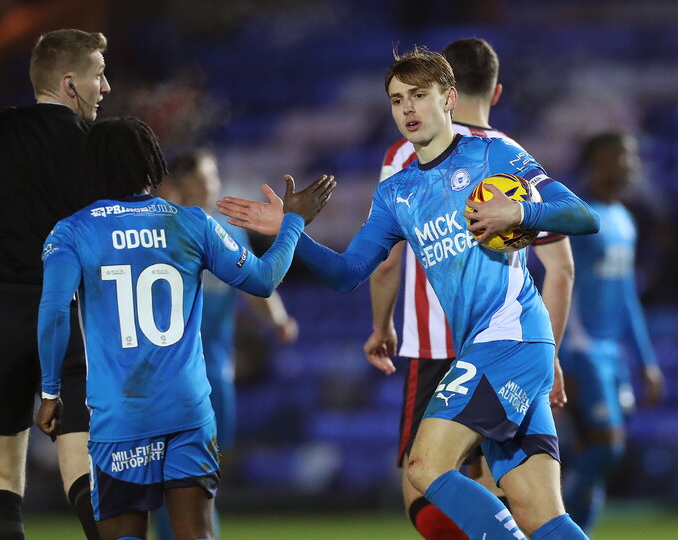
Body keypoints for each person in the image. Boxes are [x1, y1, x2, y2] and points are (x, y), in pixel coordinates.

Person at [218, 46, 599, 539]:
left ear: (449, 99)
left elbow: (581, 216)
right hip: (496, 345)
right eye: (398, 100)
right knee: (540, 516)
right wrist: (291, 228)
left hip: (511, 337)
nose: (408, 110)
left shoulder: (492, 153)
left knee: (423, 467)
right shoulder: (396, 193)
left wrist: (520, 214)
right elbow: (347, 273)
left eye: (420, 96)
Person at [34, 116, 335, 540]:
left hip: (120, 415)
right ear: (154, 166)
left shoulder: (72, 231)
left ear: (93, 168)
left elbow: (52, 311)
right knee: (197, 534)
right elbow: (264, 280)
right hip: (187, 411)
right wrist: (294, 222)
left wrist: (50, 391)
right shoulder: (193, 223)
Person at [364, 38, 575, 539]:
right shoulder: (507, 153)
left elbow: (385, 262)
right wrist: (550, 355)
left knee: (426, 489)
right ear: (495, 91)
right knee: (520, 500)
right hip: (513, 341)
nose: (409, 107)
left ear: (445, 91)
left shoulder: (403, 156)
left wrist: (380, 326)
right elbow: (560, 268)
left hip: (439, 346)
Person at [0, 28, 110, 540]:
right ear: (70, 82)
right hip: (76, 316)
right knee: (83, 473)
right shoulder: (100, 144)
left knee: (4, 477)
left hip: (4, 312)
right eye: (99, 74)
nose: (107, 86)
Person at [152, 149, 299, 540]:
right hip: (168, 374)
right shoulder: (159, 232)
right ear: (181, 184)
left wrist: (280, 321)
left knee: (205, 474)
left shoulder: (228, 231)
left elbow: (256, 287)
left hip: (214, 370)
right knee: (175, 475)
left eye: (214, 175)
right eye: (206, 176)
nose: (214, 184)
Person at [559, 132, 664, 533]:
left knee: (597, 453)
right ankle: (548, 524)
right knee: (607, 447)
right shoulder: (577, 216)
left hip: (611, 354)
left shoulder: (624, 220)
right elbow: (556, 280)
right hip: (579, 349)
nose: (631, 166)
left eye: (634, 158)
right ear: (597, 162)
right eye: (622, 157)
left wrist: (646, 361)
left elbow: (626, 300)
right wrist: (554, 352)